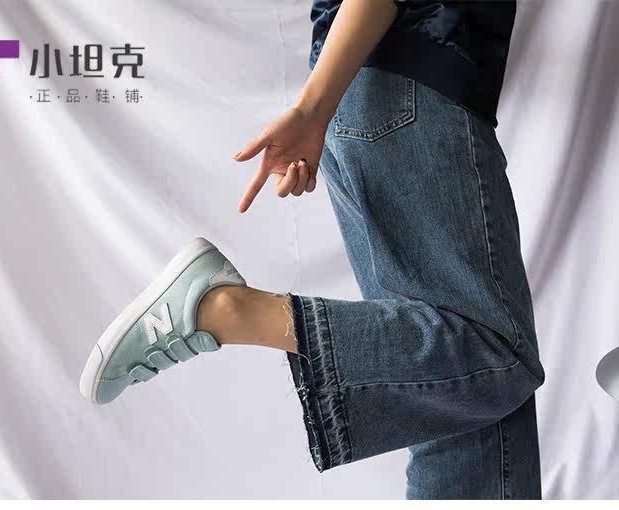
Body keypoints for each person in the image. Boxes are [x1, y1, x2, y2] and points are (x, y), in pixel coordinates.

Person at [79, 0, 545, 499]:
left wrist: (320, 109)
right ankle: (229, 311)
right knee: (494, 351)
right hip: (412, 89)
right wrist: (311, 111)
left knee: (461, 409)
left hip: (374, 95)